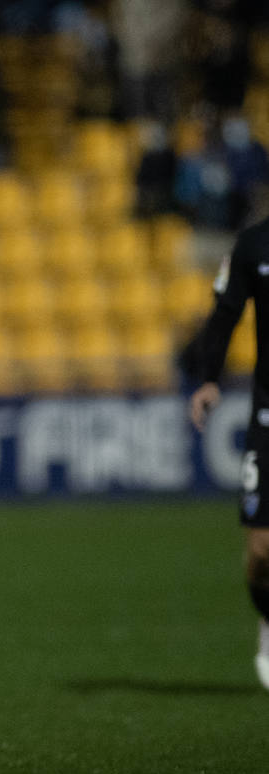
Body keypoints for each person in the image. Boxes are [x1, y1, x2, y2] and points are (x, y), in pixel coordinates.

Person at [188, 214, 269, 691]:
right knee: (261, 553)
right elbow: (224, 315)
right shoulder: (254, 245)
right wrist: (209, 380)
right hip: (267, 418)